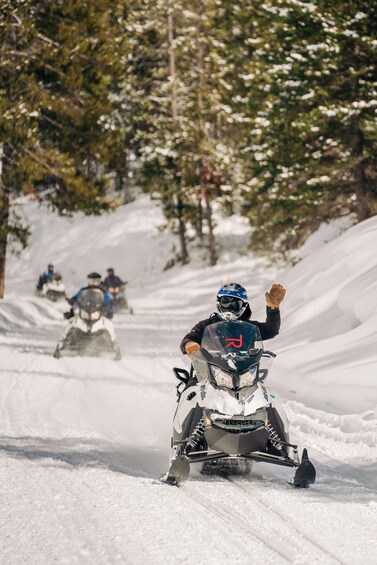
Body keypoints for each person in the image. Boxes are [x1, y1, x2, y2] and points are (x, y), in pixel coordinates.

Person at [181, 282, 286, 355]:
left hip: (243, 371)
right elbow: (190, 337)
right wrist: (189, 344)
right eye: (225, 302)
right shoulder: (206, 325)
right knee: (193, 384)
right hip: (210, 370)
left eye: (235, 304)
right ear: (219, 303)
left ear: (243, 306)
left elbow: (271, 330)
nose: (229, 308)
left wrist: (273, 309)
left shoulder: (249, 327)